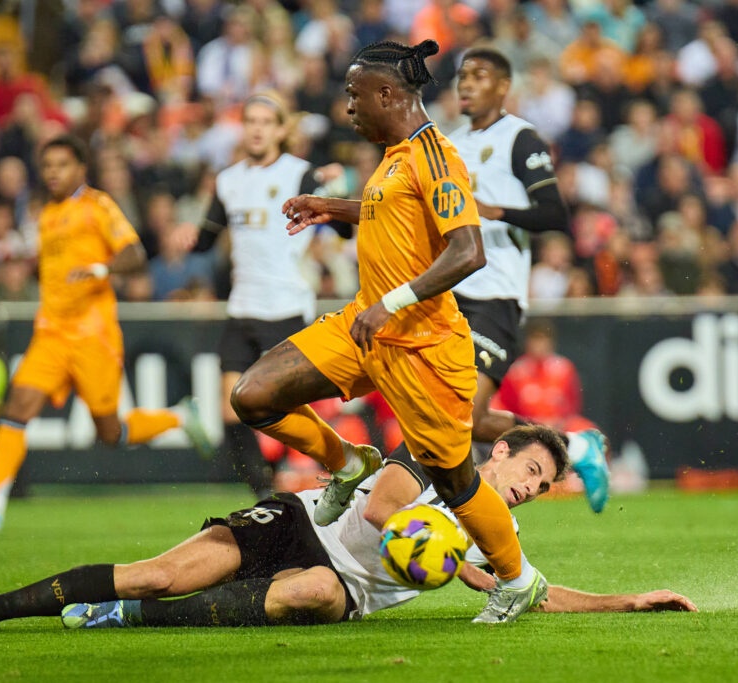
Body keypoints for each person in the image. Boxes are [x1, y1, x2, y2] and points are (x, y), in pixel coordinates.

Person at [231, 40, 538, 624]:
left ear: (388, 94)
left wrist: (394, 301)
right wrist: (333, 207)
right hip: (364, 325)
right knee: (253, 395)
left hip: (424, 347)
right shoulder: (397, 154)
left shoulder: (437, 156)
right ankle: (348, 463)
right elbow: (391, 213)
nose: (348, 107)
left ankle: (518, 579)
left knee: (456, 483)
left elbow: (468, 251)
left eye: (354, 95)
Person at [0, 425, 697, 632]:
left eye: (541, 486)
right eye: (528, 472)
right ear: (499, 452)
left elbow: (534, 593)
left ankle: (120, 616)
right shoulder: (436, 456)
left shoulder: (497, 534)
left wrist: (628, 601)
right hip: (299, 518)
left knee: (322, 593)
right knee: (159, 571)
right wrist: (444, 557)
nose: (529, 491)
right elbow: (378, 508)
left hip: (334, 583)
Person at [0, 136, 209, 533]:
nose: (52, 172)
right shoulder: (46, 214)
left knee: (110, 432)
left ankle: (177, 417)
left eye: (61, 164)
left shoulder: (97, 206)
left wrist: (101, 269)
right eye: (47, 165)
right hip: (50, 333)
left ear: (80, 169)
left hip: (93, 335)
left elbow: (135, 254)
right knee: (17, 407)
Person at [445, 48, 610, 513]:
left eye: (480, 76)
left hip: (493, 295)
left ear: (503, 86)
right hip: (448, 293)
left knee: (466, 416)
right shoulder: (450, 143)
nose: (468, 84)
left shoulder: (521, 138)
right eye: (463, 76)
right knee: (460, 418)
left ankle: (570, 453)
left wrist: (492, 210)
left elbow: (555, 212)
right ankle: (575, 450)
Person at [190, 92, 334, 497]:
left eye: (265, 121)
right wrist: (188, 238)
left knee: (290, 408)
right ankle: (266, 496)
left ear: (281, 129)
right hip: (242, 307)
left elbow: (339, 228)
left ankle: (342, 468)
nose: (256, 128)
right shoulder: (228, 180)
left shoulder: (302, 174)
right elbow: (205, 238)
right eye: (250, 120)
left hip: (286, 306)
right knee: (228, 409)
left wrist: (336, 190)